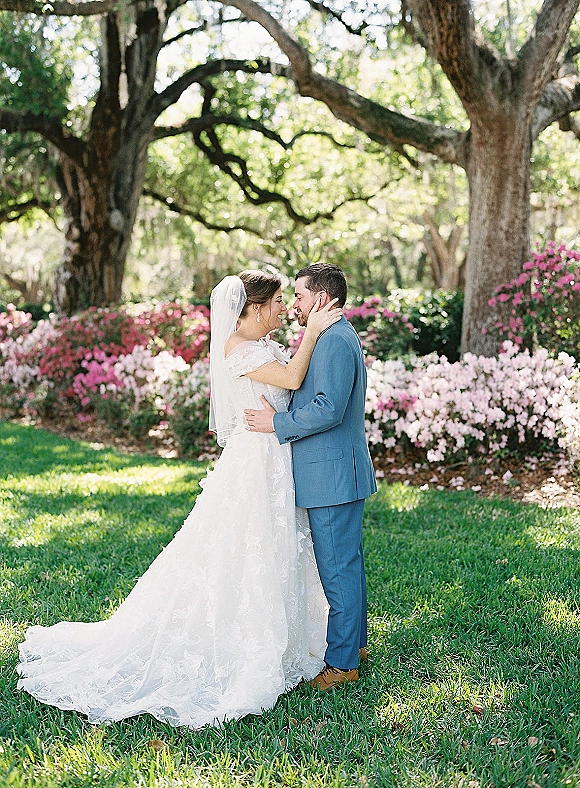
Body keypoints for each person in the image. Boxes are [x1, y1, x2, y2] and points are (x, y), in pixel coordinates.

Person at [16, 270, 342, 728]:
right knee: (244, 548)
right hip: (255, 463)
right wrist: (313, 331)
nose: (283, 308)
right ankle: (239, 644)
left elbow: (292, 384)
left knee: (278, 547)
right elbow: (291, 377)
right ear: (251, 308)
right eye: (276, 302)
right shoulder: (240, 351)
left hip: (277, 458)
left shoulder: (265, 345)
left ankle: (289, 636)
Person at [245, 263, 377, 691]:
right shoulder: (330, 336)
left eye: (298, 297)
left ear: (321, 299)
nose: (295, 306)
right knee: (346, 566)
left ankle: (341, 665)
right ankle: (353, 645)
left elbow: (328, 408)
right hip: (333, 473)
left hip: (333, 476)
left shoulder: (335, 340)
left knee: (337, 570)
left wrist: (277, 423)